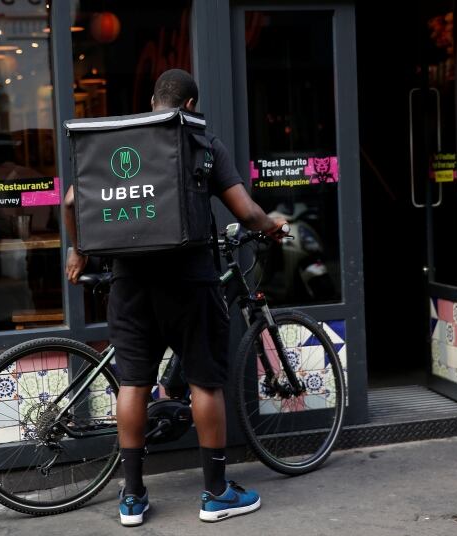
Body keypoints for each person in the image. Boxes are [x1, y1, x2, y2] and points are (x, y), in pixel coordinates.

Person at [62, 69, 288, 526]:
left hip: (129, 283)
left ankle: (132, 498)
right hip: (189, 280)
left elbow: (70, 203)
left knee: (133, 384)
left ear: (152, 101)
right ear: (189, 106)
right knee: (206, 382)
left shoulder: (114, 142)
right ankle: (215, 493)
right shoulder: (201, 142)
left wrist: (78, 248)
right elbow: (245, 211)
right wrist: (271, 224)